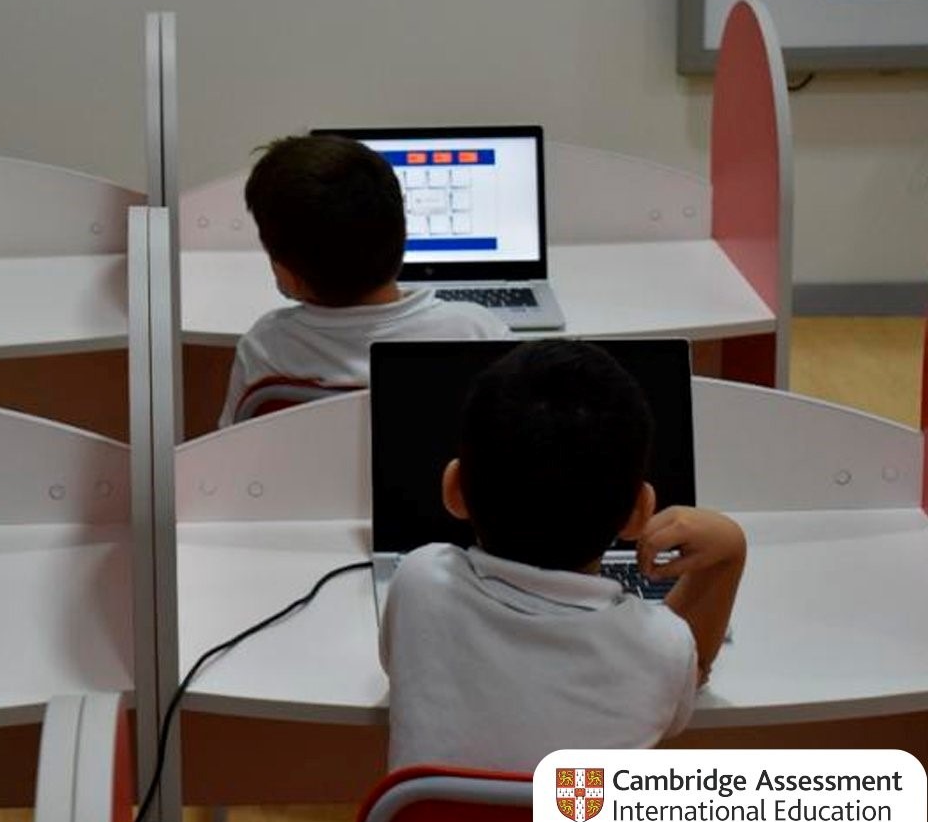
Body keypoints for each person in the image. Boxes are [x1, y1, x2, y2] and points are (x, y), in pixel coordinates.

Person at [380, 340, 746, 771]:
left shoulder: (419, 582)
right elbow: (691, 671)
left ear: (453, 489)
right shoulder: (663, 647)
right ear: (639, 514)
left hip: (429, 820)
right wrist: (730, 554)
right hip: (577, 819)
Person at [220, 134, 508, 424]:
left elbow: (234, 442)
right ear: (403, 235)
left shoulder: (265, 348)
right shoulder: (478, 333)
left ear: (288, 274)